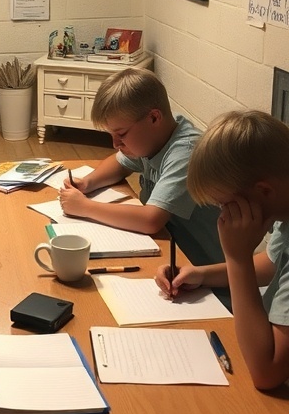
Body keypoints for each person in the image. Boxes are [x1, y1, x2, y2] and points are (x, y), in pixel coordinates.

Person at [151, 110, 289, 414]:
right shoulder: (285, 204)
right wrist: (204, 272)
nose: (225, 219)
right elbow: (272, 260)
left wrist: (232, 257)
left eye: (229, 208)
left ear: (264, 193)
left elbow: (267, 371)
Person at [59, 68, 224, 267]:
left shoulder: (187, 153)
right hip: (168, 250)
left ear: (154, 118)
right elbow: (119, 163)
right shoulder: (157, 134)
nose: (115, 144)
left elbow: (151, 220)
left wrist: (86, 207)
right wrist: (88, 182)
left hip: (203, 267)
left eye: (121, 134)